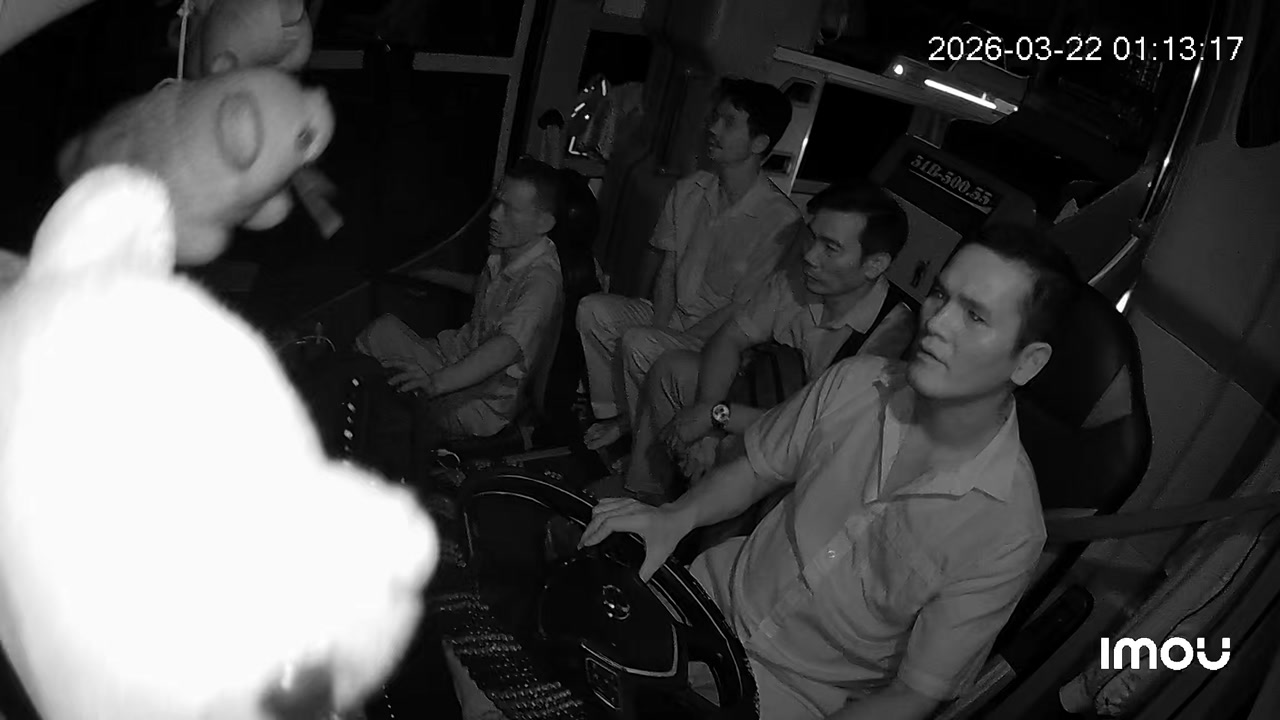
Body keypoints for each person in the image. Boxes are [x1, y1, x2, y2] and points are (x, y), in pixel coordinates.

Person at [579, 225, 1083, 719]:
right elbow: (755, 469)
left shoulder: (1007, 531)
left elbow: (914, 694)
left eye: (974, 315)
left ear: (1027, 363)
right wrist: (676, 516)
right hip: (709, 602)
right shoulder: (854, 383)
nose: (938, 322)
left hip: (795, 695)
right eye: (939, 295)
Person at [600, 178, 918, 503]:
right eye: (812, 237)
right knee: (672, 368)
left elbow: (816, 428)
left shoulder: (890, 333)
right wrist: (707, 412)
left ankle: (696, 517)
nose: (810, 256)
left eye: (830, 248)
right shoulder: (796, 281)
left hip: (808, 442)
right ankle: (645, 490)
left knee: (737, 448)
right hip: (758, 402)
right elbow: (730, 338)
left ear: (874, 264)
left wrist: (716, 418)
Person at [576, 76, 803, 452]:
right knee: (593, 311)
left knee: (640, 343)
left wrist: (671, 341)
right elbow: (667, 270)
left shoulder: (780, 220)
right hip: (674, 317)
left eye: (728, 123)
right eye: (715, 118)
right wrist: (661, 328)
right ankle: (624, 415)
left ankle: (637, 431)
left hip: (721, 343)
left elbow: (743, 308)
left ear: (759, 143)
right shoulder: (688, 189)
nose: (713, 129)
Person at [352, 158, 564, 472]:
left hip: (476, 403)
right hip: (451, 357)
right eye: (497, 203)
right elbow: (484, 288)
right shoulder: (510, 253)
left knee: (377, 335)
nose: (494, 215)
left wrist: (435, 383)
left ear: (543, 223)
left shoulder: (541, 283)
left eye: (509, 209)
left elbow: (506, 347)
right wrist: (432, 274)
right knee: (384, 338)